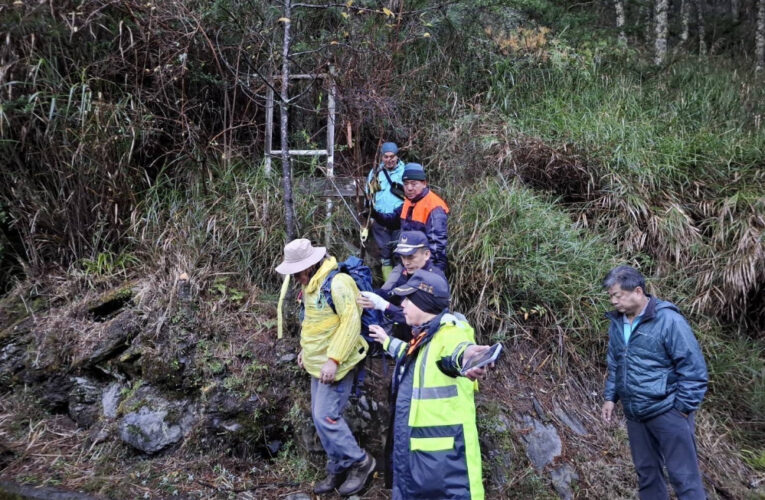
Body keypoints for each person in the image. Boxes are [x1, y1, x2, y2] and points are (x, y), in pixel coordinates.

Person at [367, 269, 492, 499]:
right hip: (424, 463)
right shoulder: (427, 337)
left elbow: (457, 354)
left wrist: (469, 359)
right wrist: (387, 341)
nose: (402, 304)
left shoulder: (451, 334)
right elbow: (414, 357)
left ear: (424, 303)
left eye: (408, 299)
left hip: (446, 469)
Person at [275, 239, 376, 496]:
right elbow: (313, 323)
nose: (296, 277)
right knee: (320, 421)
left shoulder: (338, 284)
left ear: (311, 265)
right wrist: (305, 352)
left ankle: (361, 462)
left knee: (326, 418)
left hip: (336, 365)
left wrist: (334, 359)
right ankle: (338, 465)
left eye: (297, 272)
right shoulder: (311, 285)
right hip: (316, 364)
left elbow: (350, 324)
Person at [600, 265, 708, 500]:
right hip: (635, 414)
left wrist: (681, 409)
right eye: (611, 296)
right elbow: (616, 363)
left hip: (668, 410)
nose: (614, 301)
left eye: (617, 295)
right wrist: (610, 397)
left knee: (684, 478)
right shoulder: (618, 323)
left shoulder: (669, 320)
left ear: (638, 291)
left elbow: (694, 368)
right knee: (647, 476)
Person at [356, 230, 445, 341]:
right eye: (403, 257)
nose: (406, 262)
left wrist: (383, 305)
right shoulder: (409, 270)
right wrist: (369, 294)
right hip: (406, 333)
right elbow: (395, 293)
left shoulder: (432, 281)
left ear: (426, 254)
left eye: (411, 257)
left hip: (426, 338)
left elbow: (417, 317)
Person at [373, 163, 449, 273]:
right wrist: (374, 214)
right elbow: (393, 222)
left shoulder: (434, 208)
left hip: (426, 265)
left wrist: (429, 273)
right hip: (407, 262)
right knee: (389, 288)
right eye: (406, 184)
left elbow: (437, 247)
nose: (409, 188)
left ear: (424, 183)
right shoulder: (408, 202)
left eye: (414, 184)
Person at [367, 141, 406, 281]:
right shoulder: (375, 173)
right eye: (386, 157)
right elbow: (369, 195)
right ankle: (388, 288)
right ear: (382, 157)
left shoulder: (405, 172)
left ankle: (401, 286)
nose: (389, 160)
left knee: (399, 253)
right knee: (385, 254)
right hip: (380, 221)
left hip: (399, 220)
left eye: (392, 156)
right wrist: (370, 217)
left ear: (397, 156)